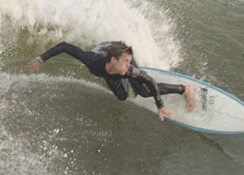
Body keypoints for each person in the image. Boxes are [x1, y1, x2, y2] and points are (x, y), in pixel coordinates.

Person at [28, 40, 196, 122]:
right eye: (126, 62)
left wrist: (161, 105)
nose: (129, 65)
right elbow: (65, 46)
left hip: (116, 52)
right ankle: (126, 84)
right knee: (122, 97)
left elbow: (150, 81)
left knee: (143, 91)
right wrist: (41, 59)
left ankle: (184, 89)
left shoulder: (127, 69)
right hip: (105, 51)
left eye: (130, 62)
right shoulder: (92, 60)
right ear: (114, 61)